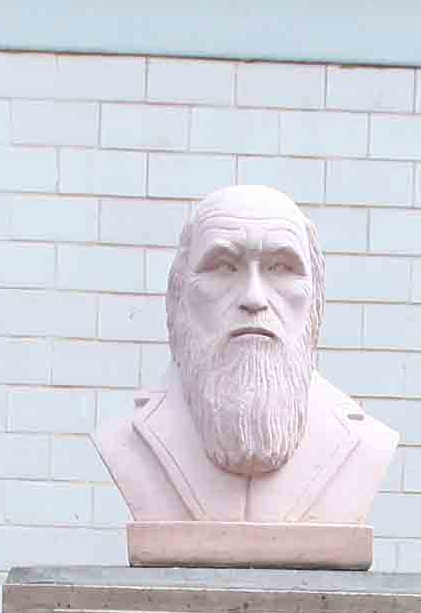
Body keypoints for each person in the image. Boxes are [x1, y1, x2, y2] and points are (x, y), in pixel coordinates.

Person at [95, 184, 399, 529]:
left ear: (316, 301)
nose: (254, 298)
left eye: (282, 267)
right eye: (224, 266)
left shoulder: (368, 443)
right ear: (178, 297)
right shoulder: (124, 441)